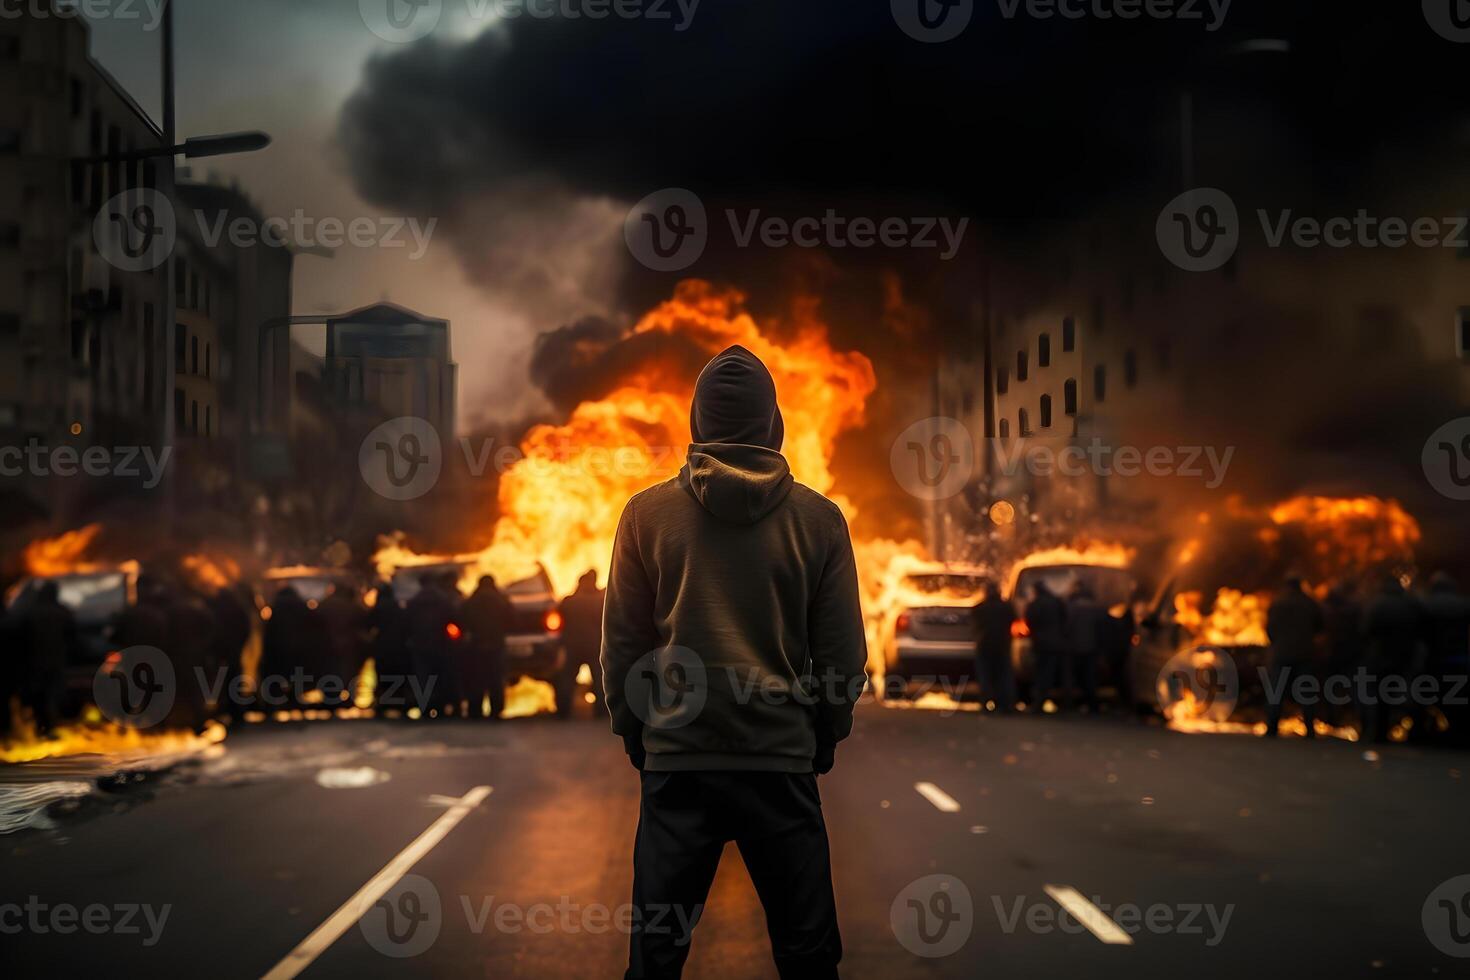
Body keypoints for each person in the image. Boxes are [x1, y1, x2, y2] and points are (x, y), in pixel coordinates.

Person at [601, 345, 866, 979]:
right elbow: (841, 654)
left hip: (679, 761)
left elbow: (622, 647)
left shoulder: (645, 515)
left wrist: (635, 733)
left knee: (656, 959)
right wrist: (823, 734)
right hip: (778, 762)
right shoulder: (821, 520)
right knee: (808, 958)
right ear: (774, 426)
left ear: (696, 425)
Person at [1360, 575, 1421, 743]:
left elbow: (1366, 629)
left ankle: (1379, 733)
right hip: (1404, 657)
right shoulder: (1410, 604)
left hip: (1380, 656)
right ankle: (1411, 733)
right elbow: (1420, 629)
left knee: (1379, 696)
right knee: (1406, 694)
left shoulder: (1378, 604)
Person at [1264, 574, 1324, 738]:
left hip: (1281, 653)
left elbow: (1269, 628)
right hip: (1304, 653)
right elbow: (1320, 626)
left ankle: (1272, 728)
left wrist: (1277, 643)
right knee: (1306, 691)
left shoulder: (1278, 603)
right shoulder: (1309, 603)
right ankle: (1310, 729)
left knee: (1276, 691)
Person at [1419, 573, 1470, 741]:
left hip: (1434, 659)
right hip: (1459, 659)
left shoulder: (1426, 605)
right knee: (1457, 699)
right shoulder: (1463, 604)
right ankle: (1458, 734)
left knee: (1427, 696)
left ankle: (1424, 733)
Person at [23, 581, 77, 736]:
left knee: (38, 695)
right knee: (53, 694)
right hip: (56, 661)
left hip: (35, 662)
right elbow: (73, 638)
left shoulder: (30, 613)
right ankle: (51, 728)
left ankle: (41, 728)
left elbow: (22, 638)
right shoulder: (62, 612)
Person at [459, 575, 514, 719]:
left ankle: (475, 710)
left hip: (476, 646)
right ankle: (496, 710)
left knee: (476, 678)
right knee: (495, 679)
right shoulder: (501, 600)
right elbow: (512, 618)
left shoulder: (472, 600)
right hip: (496, 645)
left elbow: (461, 618)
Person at [405, 573, 458, 717]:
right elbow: (454, 618)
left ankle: (425, 707)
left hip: (420, 645)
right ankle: (440, 707)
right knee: (441, 676)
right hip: (441, 644)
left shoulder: (414, 601)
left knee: (423, 677)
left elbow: (406, 623)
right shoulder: (443, 600)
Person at [560, 569, 606, 712]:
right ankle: (601, 710)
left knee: (568, 678)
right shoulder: (600, 601)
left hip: (572, 645)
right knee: (599, 678)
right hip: (594, 645)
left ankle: (563, 710)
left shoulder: (568, 601)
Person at [1321, 583, 1363, 729]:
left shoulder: (1326, 611)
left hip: (1332, 653)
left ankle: (1332, 719)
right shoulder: (1354, 610)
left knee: (1330, 687)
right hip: (1350, 654)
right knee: (1355, 688)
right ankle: (1361, 722)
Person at [261, 586, 309, 711]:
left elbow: (270, 632)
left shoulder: (275, 609)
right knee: (297, 676)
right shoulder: (301, 607)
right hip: (298, 648)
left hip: (279, 648)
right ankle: (296, 699)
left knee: (276, 676)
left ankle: (273, 703)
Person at [971, 580, 1016, 712]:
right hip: (1003, 645)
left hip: (984, 645)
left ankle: (985, 703)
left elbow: (975, 626)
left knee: (985, 675)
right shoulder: (1007, 607)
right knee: (1003, 675)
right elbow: (1014, 620)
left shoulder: (979, 608)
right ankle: (1005, 704)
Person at [1064, 581, 1109, 713]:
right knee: (1090, 678)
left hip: (1074, 649)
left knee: (1071, 678)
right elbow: (1102, 630)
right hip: (1091, 649)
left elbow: (1067, 627)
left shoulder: (1071, 607)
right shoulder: (1096, 608)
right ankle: (1092, 705)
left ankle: (1069, 705)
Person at [368, 580, 411, 713]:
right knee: (398, 674)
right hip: (398, 646)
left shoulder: (378, 608)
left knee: (382, 675)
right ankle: (400, 702)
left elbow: (367, 624)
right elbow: (406, 626)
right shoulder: (398, 607)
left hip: (382, 646)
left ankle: (382, 702)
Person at [1025, 580, 1068, 711]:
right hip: (1056, 643)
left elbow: (1029, 620)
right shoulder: (1056, 602)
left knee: (1041, 673)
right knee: (1056, 673)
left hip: (1040, 644)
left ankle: (1039, 702)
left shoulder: (1035, 604)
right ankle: (1065, 704)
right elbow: (1064, 618)